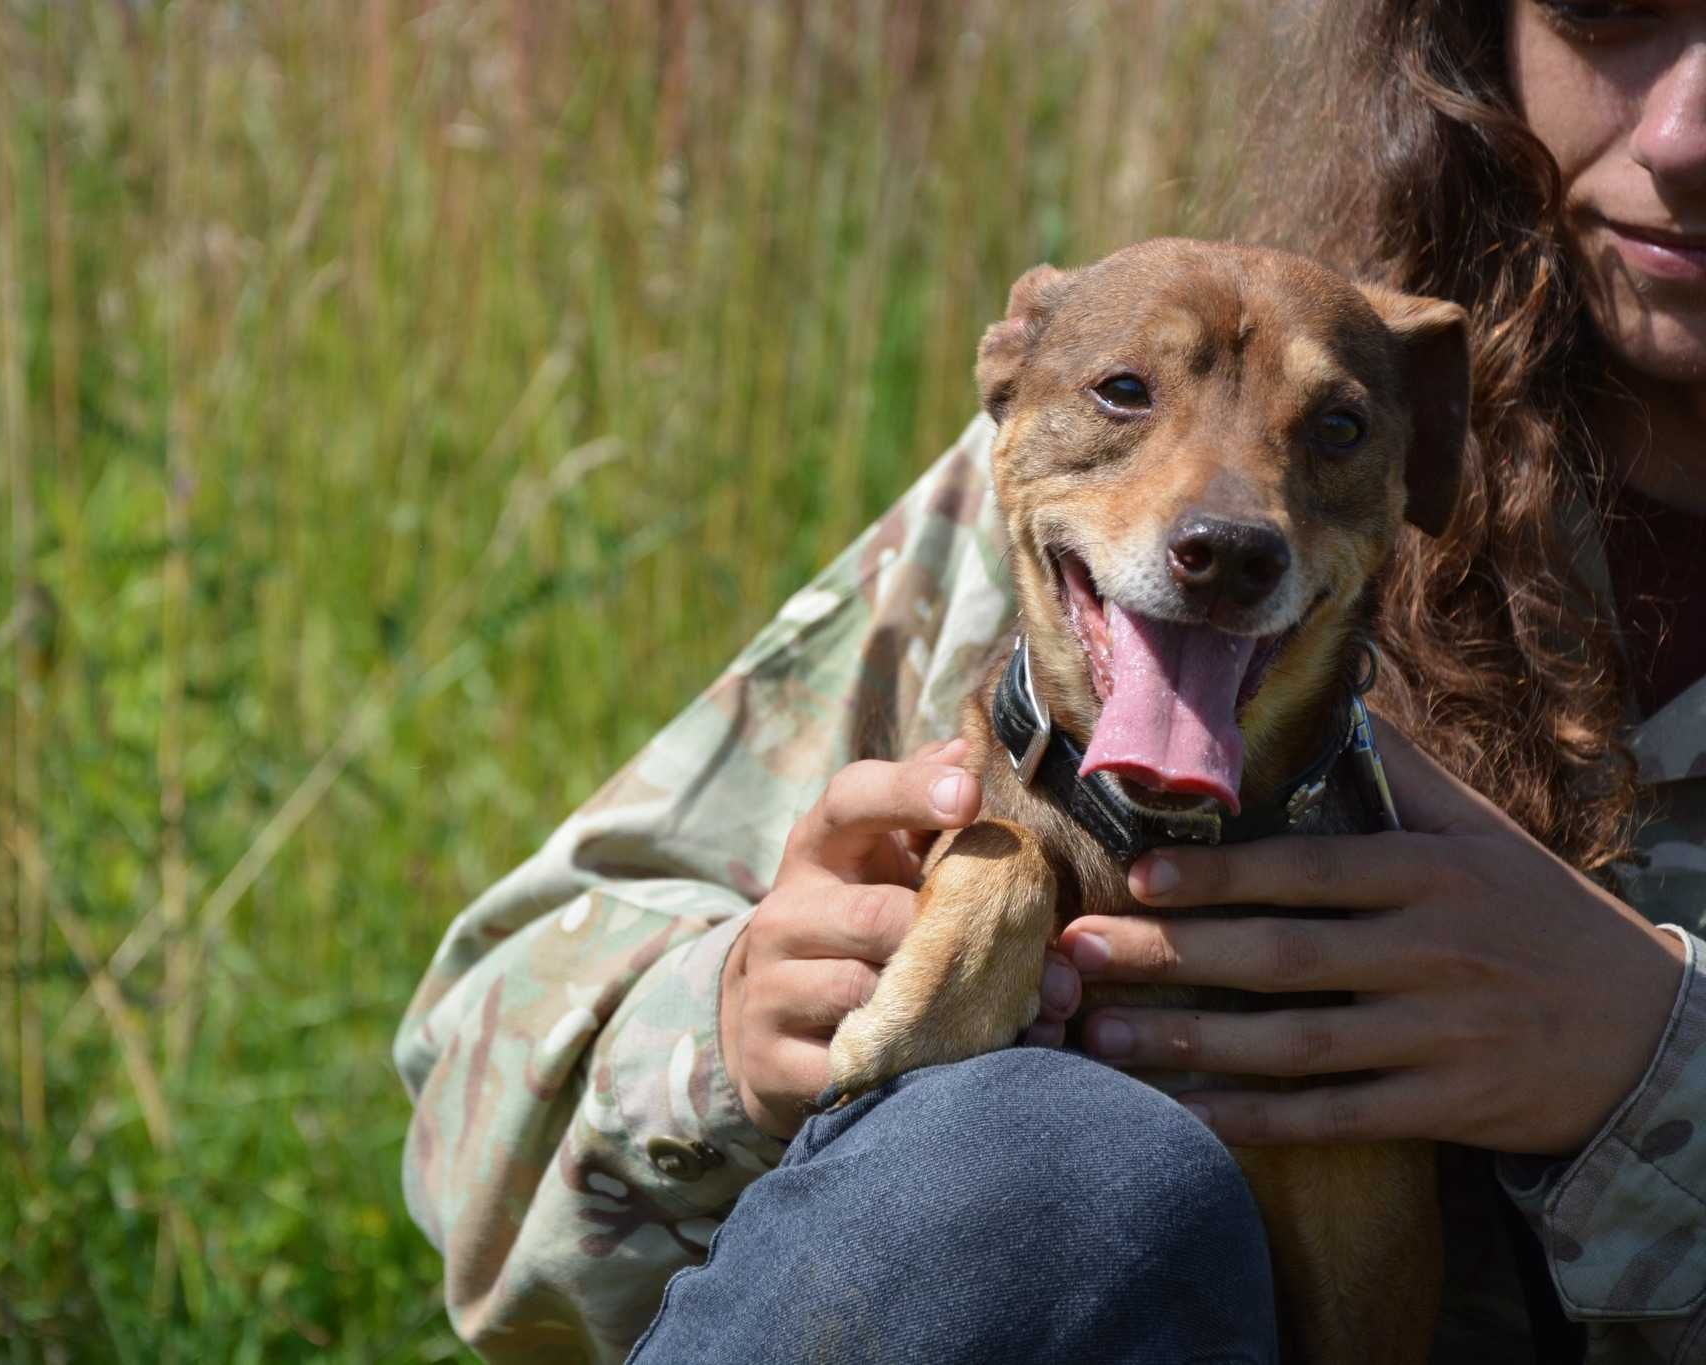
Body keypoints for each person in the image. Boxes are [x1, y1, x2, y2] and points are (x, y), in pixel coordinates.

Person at [395, 2, 1706, 1360]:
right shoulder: (1085, 476)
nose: (1687, 133)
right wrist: (734, 1026)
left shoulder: (1247, 438)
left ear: (1402, 456)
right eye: (1611, 2)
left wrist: (1655, 1065)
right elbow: (474, 1078)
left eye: (1330, 432)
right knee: (1034, 1169)